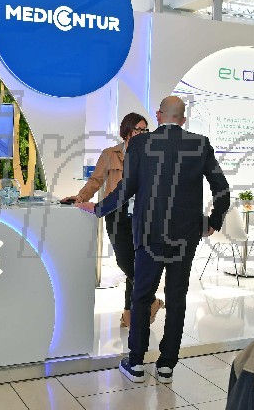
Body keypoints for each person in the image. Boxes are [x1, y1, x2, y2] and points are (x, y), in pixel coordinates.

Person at [77, 96, 230, 384]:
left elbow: (126, 189)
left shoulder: (140, 144)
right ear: (183, 119)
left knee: (142, 294)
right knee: (177, 297)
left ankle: (136, 363)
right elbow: (222, 188)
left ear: (159, 116)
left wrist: (98, 209)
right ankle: (166, 366)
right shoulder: (200, 144)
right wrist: (213, 221)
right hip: (186, 233)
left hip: (149, 232)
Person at [62, 113, 163, 328]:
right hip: (116, 212)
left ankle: (129, 314)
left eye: (145, 130)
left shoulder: (152, 154)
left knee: (136, 264)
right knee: (124, 262)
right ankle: (151, 300)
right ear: (126, 131)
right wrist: (80, 198)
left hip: (143, 214)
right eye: (137, 129)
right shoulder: (110, 154)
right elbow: (95, 181)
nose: (142, 133)